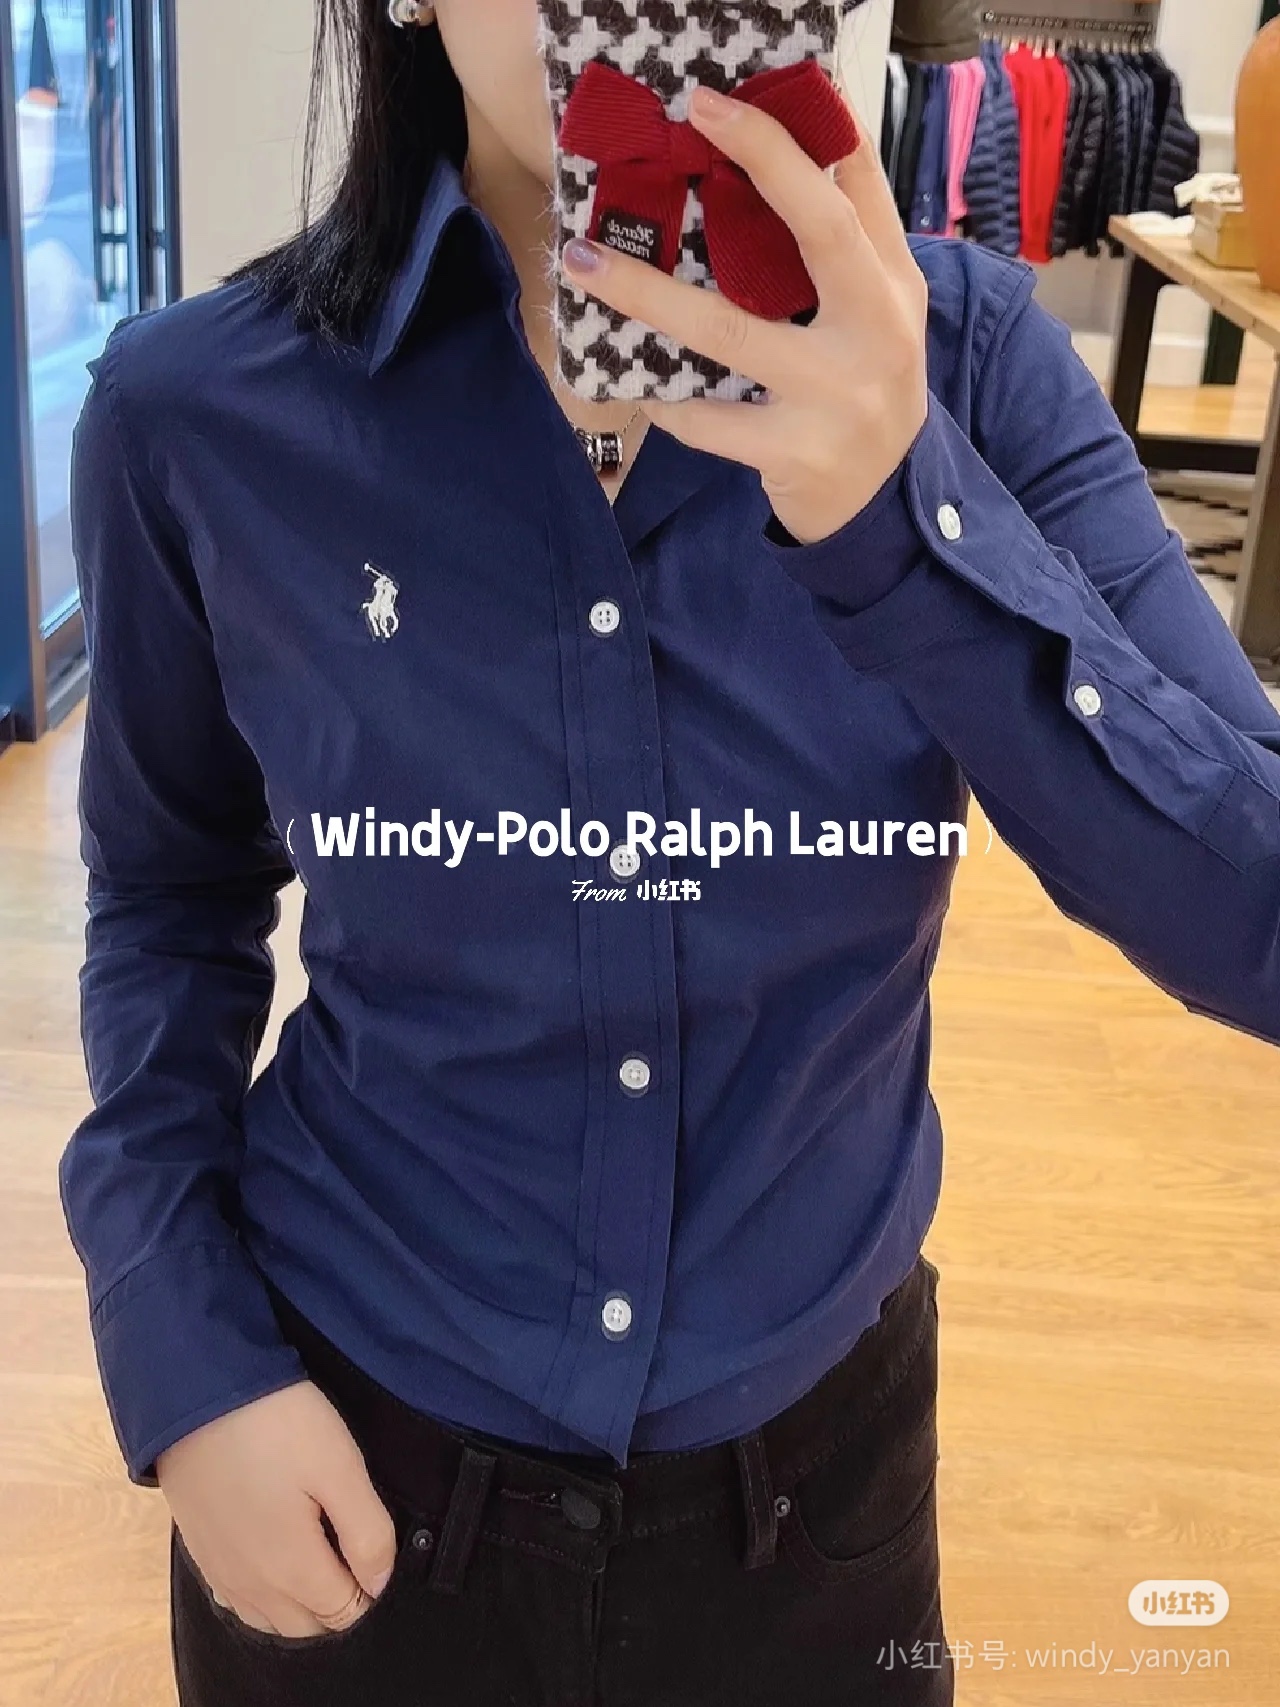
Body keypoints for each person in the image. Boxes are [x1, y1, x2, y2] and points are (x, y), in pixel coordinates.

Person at [59, 2, 1280, 1705]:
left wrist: (906, 523)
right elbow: (165, 896)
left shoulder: (975, 369)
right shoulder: (194, 415)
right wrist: (180, 1343)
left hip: (818, 1492)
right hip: (349, 1455)